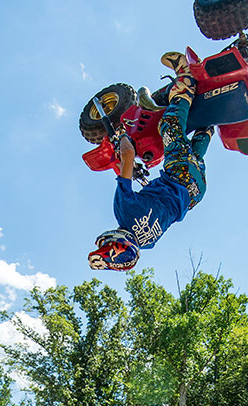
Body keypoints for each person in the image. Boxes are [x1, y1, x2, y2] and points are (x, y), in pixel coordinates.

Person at [88, 50, 214, 271]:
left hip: (195, 193)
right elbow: (127, 155)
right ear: (114, 240)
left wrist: (131, 170)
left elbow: (156, 207)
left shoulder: (147, 243)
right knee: (169, 125)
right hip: (179, 174)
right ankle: (185, 79)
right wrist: (122, 136)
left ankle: (209, 124)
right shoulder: (124, 210)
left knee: (194, 154)